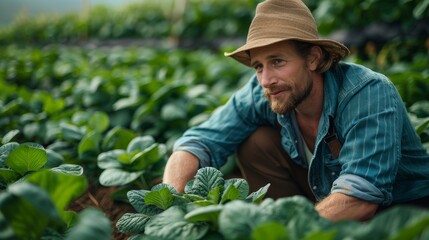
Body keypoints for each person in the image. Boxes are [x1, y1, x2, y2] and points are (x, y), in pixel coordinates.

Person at [162, 0, 429, 221]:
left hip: (399, 214)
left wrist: (292, 232)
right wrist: (168, 205)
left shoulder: (368, 93)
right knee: (256, 144)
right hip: (326, 197)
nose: (266, 80)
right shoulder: (266, 91)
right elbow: (198, 141)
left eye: (277, 61)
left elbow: (361, 198)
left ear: (312, 58)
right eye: (258, 66)